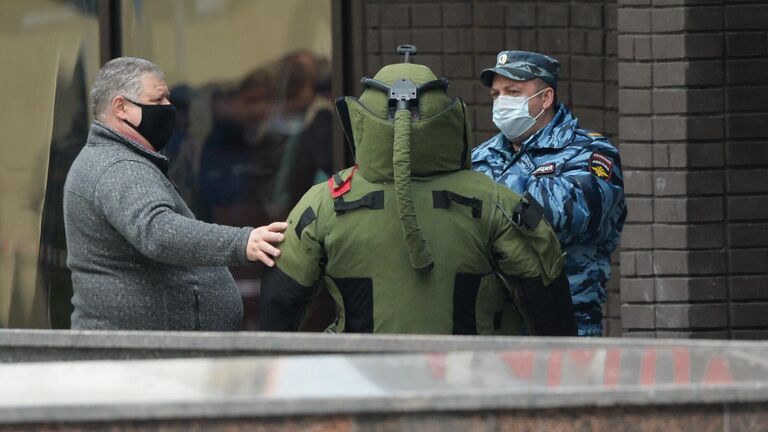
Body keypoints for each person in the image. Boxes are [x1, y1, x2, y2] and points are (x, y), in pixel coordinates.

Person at [259, 46, 577, 336]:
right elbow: (547, 301)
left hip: (359, 381)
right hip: (468, 381)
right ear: (450, 118)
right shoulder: (495, 200)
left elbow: (281, 303)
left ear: (361, 120)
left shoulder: (324, 202)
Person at [63, 57, 287, 330]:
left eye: (168, 99)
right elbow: (157, 232)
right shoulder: (118, 166)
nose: (168, 108)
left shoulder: (115, 159)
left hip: (143, 354)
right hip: (137, 359)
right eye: (158, 101)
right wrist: (242, 243)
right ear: (121, 107)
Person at [472, 50, 627, 337]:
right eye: (496, 94)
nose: (501, 101)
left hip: (567, 322)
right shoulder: (480, 156)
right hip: (495, 325)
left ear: (545, 98)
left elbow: (569, 214)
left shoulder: (590, 152)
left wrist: (484, 197)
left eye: (513, 92)